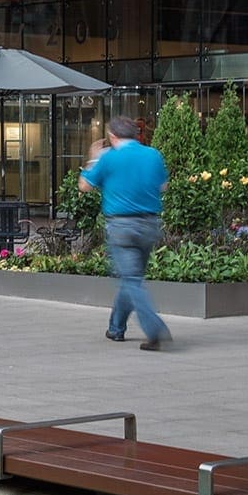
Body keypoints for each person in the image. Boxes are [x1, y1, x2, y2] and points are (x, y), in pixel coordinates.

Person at [78, 116, 172, 351]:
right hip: (149, 224)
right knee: (132, 278)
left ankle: (154, 328)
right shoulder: (153, 154)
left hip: (121, 226)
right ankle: (116, 328)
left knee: (131, 279)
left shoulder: (109, 157)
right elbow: (163, 186)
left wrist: (93, 158)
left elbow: (84, 186)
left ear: (112, 136)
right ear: (136, 134)